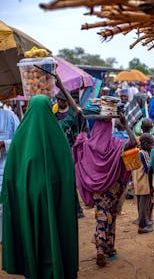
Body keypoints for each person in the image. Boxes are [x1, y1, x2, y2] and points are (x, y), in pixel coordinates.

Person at [1, 95, 78, 279]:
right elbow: (67, 173)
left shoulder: (20, 136)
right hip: (54, 198)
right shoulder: (57, 134)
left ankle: (33, 269)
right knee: (53, 232)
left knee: (31, 233)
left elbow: (12, 174)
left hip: (27, 199)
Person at [73, 113, 137, 267]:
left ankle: (105, 247)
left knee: (102, 215)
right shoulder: (116, 144)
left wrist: (83, 122)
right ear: (110, 129)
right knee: (111, 215)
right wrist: (126, 123)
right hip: (113, 188)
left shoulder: (88, 145)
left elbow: (78, 143)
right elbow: (134, 142)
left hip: (97, 189)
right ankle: (106, 248)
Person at [53, 76, 85, 218]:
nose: (60, 102)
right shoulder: (53, 115)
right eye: (58, 99)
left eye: (62, 99)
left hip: (70, 150)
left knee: (70, 180)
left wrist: (61, 88)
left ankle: (77, 208)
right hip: (56, 152)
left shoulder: (68, 117)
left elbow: (76, 110)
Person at [0, 108, 19, 242]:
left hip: (6, 167)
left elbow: (20, 140)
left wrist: (4, 144)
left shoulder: (10, 116)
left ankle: (5, 237)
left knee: (4, 204)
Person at [132, 133, 154, 234]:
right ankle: (142, 226)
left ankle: (143, 222)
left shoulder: (137, 152)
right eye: (151, 144)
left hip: (138, 182)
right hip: (144, 183)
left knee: (141, 205)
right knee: (143, 206)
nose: (152, 146)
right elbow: (148, 169)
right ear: (145, 144)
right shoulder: (144, 154)